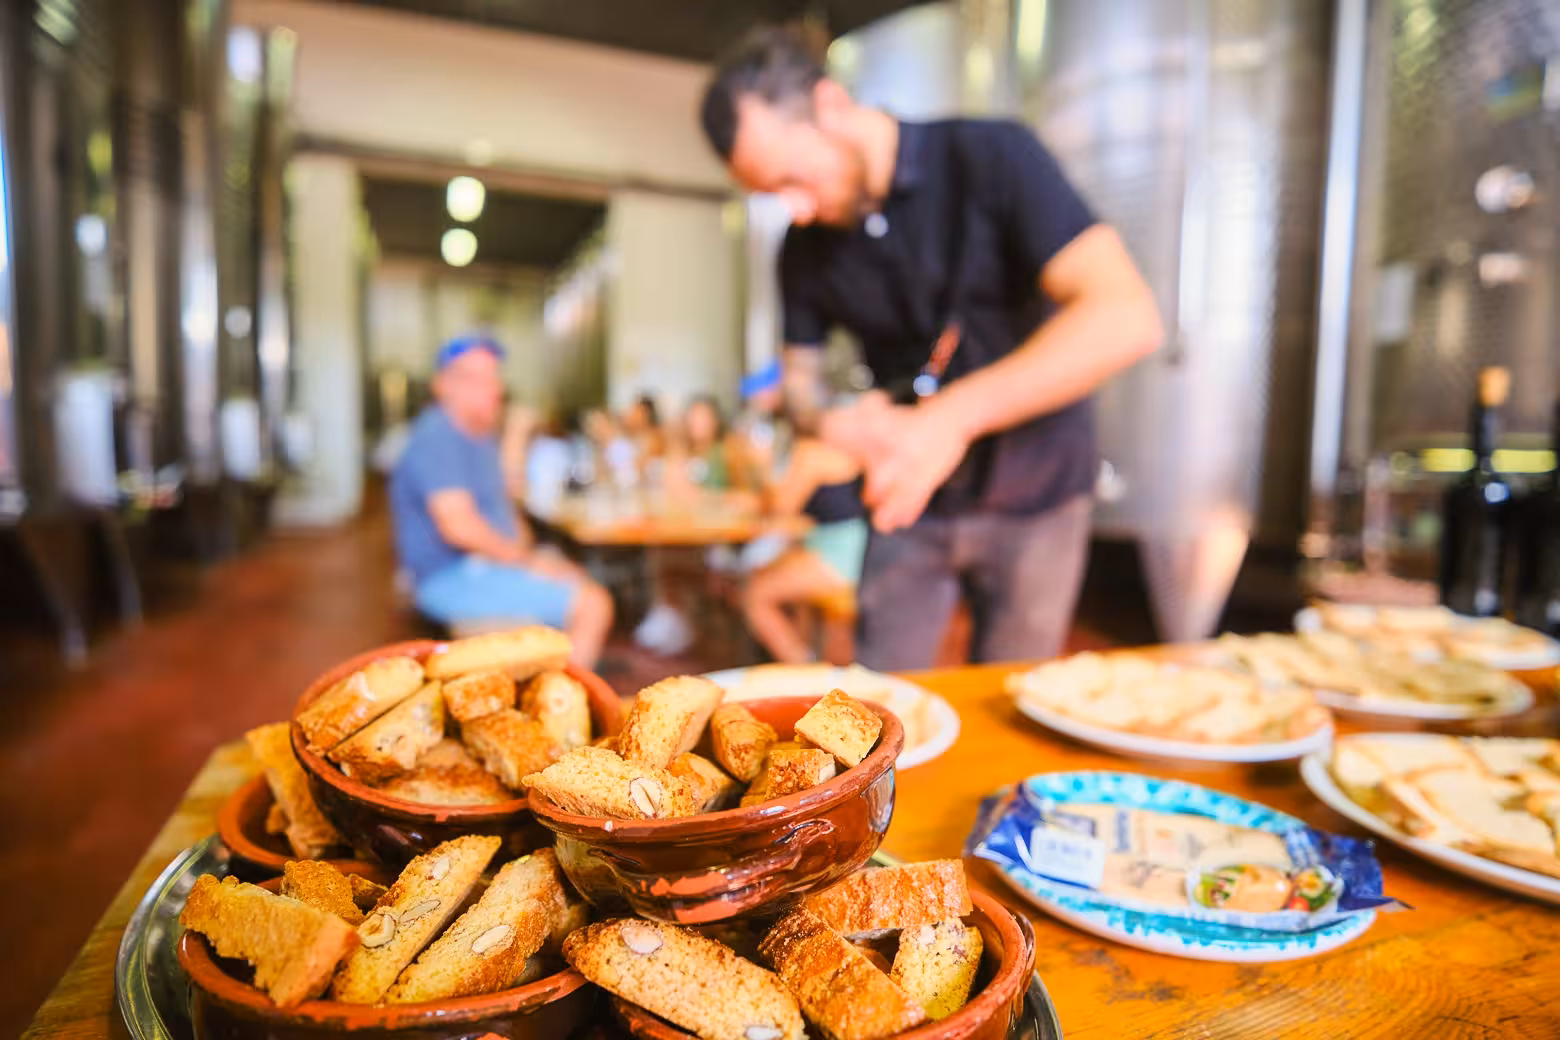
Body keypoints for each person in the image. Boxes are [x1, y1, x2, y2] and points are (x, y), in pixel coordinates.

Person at [699, 27, 1164, 669]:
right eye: (772, 195)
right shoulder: (803, 248)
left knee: (1010, 701)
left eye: (792, 179)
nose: (795, 210)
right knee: (881, 711)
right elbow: (798, 383)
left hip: (1038, 490)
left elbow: (1126, 315)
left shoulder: (991, 155)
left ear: (831, 106)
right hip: (907, 496)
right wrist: (832, 419)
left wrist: (950, 417)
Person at [389, 335, 613, 666]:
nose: (492, 388)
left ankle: (555, 680)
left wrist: (533, 554)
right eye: (474, 378)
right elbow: (459, 528)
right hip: (449, 575)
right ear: (442, 386)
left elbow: (506, 500)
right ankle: (564, 708)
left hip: (483, 563)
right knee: (595, 604)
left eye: (493, 377)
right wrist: (527, 561)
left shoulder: (477, 434)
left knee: (571, 569)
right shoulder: (438, 436)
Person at [742, 435, 867, 664]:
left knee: (755, 594)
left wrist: (761, 467)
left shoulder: (810, 451)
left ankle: (804, 669)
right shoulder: (849, 445)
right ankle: (805, 656)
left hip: (840, 557)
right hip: (848, 548)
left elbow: (782, 508)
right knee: (765, 572)